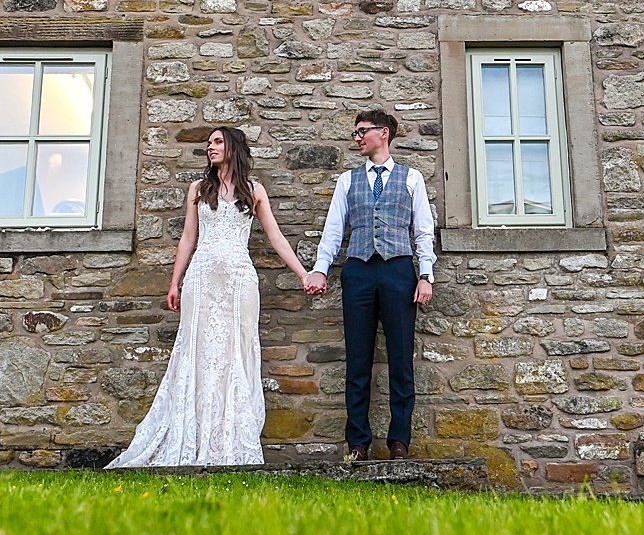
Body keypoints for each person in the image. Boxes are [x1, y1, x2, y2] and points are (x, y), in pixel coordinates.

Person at [109, 126, 308, 468]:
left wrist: (303, 274)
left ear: (233, 147)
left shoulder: (255, 191)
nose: (210, 148)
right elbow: (188, 238)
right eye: (208, 143)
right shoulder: (198, 189)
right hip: (201, 280)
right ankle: (194, 437)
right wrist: (175, 282)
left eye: (217, 142)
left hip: (238, 282)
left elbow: (275, 238)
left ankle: (230, 441)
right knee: (197, 354)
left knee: (234, 355)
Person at [302, 110, 436, 463]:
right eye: (356, 132)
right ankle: (357, 443)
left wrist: (425, 275)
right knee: (357, 361)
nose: (357, 137)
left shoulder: (412, 179)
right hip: (359, 272)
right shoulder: (348, 181)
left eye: (363, 131)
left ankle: (399, 442)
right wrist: (320, 270)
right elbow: (333, 231)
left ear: (384, 133)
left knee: (400, 361)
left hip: (398, 272)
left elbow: (422, 231)